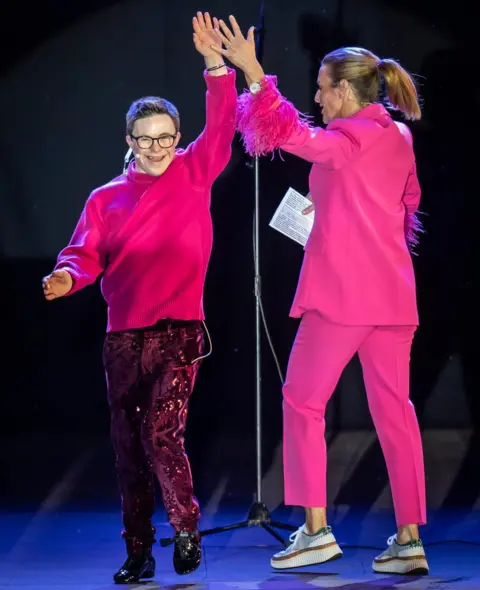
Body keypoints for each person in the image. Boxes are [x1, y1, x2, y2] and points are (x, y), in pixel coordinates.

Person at [211, 15, 429, 576]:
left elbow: (295, 135)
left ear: (346, 91)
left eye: (323, 88)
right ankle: (409, 541)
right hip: (393, 297)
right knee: (395, 414)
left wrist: (257, 75)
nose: (316, 96)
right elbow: (405, 203)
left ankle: (314, 531)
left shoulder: (345, 140)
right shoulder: (397, 136)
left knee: (302, 403)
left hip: (342, 297)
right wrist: (336, 220)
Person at [42, 12, 237, 584]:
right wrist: (65, 276)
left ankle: (185, 529)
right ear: (128, 140)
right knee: (128, 444)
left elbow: (223, 123)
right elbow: (84, 252)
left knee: (161, 432)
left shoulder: (196, 171)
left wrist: (214, 65)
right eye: (145, 138)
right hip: (124, 335)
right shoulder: (107, 197)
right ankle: (138, 551)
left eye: (166, 137)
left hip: (181, 329)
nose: (156, 147)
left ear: (178, 138)